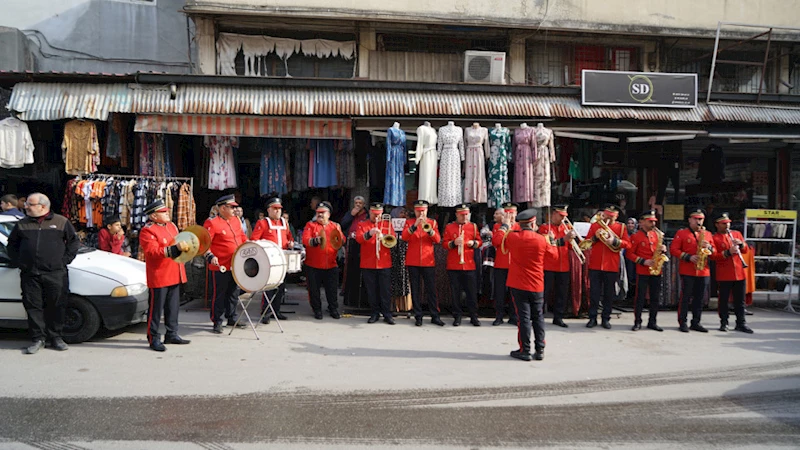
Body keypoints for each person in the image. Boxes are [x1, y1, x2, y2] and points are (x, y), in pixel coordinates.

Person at [7, 193, 79, 354]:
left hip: (55, 273)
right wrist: (20, 262)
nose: (26, 207)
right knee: (33, 306)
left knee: (57, 305)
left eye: (30, 204)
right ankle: (37, 338)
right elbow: (11, 245)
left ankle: (56, 337)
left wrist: (64, 260)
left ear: (43, 206)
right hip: (30, 274)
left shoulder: (60, 222)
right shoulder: (22, 224)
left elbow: (74, 242)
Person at [498, 208, 558, 361]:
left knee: (523, 318)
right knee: (538, 317)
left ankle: (525, 349)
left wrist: (505, 225)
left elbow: (498, 240)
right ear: (532, 224)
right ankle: (540, 349)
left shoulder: (513, 237)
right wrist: (552, 241)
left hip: (518, 283)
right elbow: (554, 256)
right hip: (537, 284)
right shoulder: (541, 239)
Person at [139, 199, 191, 351]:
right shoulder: (148, 230)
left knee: (173, 307)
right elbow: (152, 252)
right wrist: (175, 249)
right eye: (163, 212)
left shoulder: (172, 226)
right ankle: (153, 338)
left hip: (174, 271)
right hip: (160, 274)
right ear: (154, 216)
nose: (167, 213)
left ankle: (172, 333)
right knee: (156, 310)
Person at [204, 194, 247, 334]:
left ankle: (232, 317)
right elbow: (205, 243)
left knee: (233, 292)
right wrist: (210, 256)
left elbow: (241, 237)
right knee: (220, 294)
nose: (235, 210)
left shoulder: (235, 221)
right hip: (220, 265)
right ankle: (217, 320)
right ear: (223, 208)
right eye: (232, 207)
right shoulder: (212, 222)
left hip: (235, 263)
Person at [585, 205, 631, 329]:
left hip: (611, 265)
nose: (608, 220)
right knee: (594, 293)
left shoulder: (621, 228)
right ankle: (592, 318)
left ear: (616, 217)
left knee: (608, 294)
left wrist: (615, 242)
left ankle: (606, 318)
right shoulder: (595, 226)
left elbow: (628, 244)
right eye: (606, 216)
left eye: (611, 217)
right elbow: (587, 242)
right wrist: (596, 237)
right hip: (595, 264)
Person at [669, 209, 715, 333]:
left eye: (700, 219)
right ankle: (682, 322)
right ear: (689, 220)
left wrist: (709, 247)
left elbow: (714, 252)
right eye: (695, 219)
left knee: (700, 298)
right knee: (685, 297)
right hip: (688, 270)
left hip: (703, 270)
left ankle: (696, 322)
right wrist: (688, 257)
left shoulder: (708, 234)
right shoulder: (682, 233)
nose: (698, 221)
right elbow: (674, 249)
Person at [250, 197, 294, 323]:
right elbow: (255, 240)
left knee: (281, 287)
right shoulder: (262, 223)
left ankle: (277, 311)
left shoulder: (284, 223)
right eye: (275, 209)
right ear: (269, 210)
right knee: (269, 288)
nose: (277, 212)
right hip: (269, 260)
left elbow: (289, 237)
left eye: (279, 209)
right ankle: (266, 313)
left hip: (282, 258)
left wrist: (290, 243)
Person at [401, 200, 444, 327]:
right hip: (413, 260)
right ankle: (418, 316)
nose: (421, 213)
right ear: (415, 211)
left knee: (431, 289)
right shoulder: (409, 222)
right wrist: (414, 225)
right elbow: (404, 237)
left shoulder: (433, 222)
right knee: (415, 289)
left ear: (427, 211)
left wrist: (430, 230)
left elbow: (437, 239)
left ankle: (434, 315)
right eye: (419, 211)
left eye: (423, 211)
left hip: (428, 260)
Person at [710, 212, 753, 334]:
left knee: (740, 300)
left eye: (728, 223)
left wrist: (741, 244)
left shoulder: (736, 234)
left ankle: (741, 323)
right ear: (717, 225)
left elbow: (745, 250)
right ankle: (724, 322)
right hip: (724, 274)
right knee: (723, 300)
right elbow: (713, 256)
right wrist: (728, 252)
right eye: (724, 224)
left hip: (739, 272)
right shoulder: (715, 238)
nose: (727, 226)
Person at [538, 205, 579, 328]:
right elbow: (549, 245)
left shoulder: (567, 228)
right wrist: (565, 238)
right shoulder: (545, 228)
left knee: (562, 293)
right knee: (544, 293)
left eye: (564, 216)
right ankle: (538, 316)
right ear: (554, 214)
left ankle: (558, 317)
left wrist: (574, 240)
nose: (563, 219)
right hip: (549, 265)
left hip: (564, 266)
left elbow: (571, 247)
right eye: (560, 216)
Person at [443, 203, 482, 327]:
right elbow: (445, 244)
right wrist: (453, 243)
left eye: (466, 214)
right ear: (457, 215)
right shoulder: (450, 227)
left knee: (471, 292)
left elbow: (479, 241)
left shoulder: (473, 226)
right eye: (462, 215)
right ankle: (457, 315)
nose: (465, 217)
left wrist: (473, 242)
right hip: (454, 265)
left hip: (469, 264)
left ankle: (473, 316)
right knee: (456, 293)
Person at [625, 211, 665, 332]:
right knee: (640, 298)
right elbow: (629, 254)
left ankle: (652, 321)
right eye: (650, 221)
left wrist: (663, 249)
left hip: (656, 271)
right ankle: (637, 321)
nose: (653, 223)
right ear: (642, 222)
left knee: (655, 298)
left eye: (654, 221)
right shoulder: (636, 236)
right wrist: (643, 261)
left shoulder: (657, 235)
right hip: (642, 270)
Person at [356, 202, 396, 324]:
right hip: (368, 262)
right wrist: (370, 233)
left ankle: (387, 313)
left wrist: (382, 236)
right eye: (374, 214)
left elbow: (393, 240)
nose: (377, 217)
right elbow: (359, 238)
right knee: (371, 290)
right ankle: (374, 313)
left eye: (379, 214)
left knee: (385, 290)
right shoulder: (362, 224)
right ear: (370, 213)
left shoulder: (387, 224)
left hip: (384, 262)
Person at [303, 201, 344, 319]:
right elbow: (306, 240)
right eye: (318, 213)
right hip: (313, 264)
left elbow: (342, 241)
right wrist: (316, 241)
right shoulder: (310, 225)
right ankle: (317, 310)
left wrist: (340, 237)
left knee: (332, 289)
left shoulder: (334, 226)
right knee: (314, 290)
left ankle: (333, 308)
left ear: (329, 214)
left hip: (331, 264)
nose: (320, 215)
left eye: (322, 213)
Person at [491, 203, 520, 326]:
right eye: (507, 213)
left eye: (512, 213)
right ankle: (499, 316)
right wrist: (504, 227)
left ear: (516, 214)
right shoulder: (498, 226)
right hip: (501, 263)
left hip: (515, 264)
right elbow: (496, 242)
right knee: (500, 292)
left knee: (514, 293)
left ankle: (514, 316)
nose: (510, 216)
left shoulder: (519, 227)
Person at [623, 217, 639, 301]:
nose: (630, 225)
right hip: (625, 258)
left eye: (632, 223)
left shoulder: (637, 234)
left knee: (633, 276)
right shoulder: (624, 234)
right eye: (628, 223)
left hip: (634, 258)